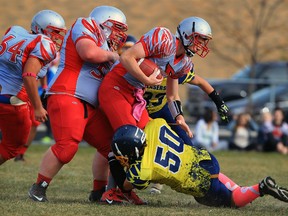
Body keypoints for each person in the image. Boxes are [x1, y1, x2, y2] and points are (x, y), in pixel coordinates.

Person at [98, 16, 229, 200]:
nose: (202, 45)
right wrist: (146, 80)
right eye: (200, 39)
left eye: (204, 41)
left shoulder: (183, 62)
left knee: (149, 139)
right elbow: (127, 57)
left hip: (135, 95)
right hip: (117, 86)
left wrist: (179, 118)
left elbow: (172, 95)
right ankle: (113, 191)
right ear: (186, 34)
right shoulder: (163, 39)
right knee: (129, 139)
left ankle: (125, 189)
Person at [28, 5, 129, 202]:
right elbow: (88, 53)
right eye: (117, 27)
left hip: (89, 104)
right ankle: (38, 187)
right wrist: (113, 57)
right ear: (103, 23)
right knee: (67, 146)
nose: (120, 34)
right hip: (67, 94)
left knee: (111, 146)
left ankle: (99, 191)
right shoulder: (86, 24)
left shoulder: (106, 47)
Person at [106, 118, 288, 207]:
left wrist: (114, 161)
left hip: (197, 180)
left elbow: (126, 186)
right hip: (204, 158)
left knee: (233, 202)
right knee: (231, 189)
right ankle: (254, 188)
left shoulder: (142, 170)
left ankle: (262, 187)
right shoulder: (156, 125)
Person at [0, 10, 66, 165]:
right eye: (54, 32)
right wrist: (37, 107)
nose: (57, 37)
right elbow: (29, 74)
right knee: (12, 147)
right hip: (11, 99)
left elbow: (34, 67)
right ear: (41, 29)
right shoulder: (43, 44)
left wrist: (43, 84)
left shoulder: (15, 32)